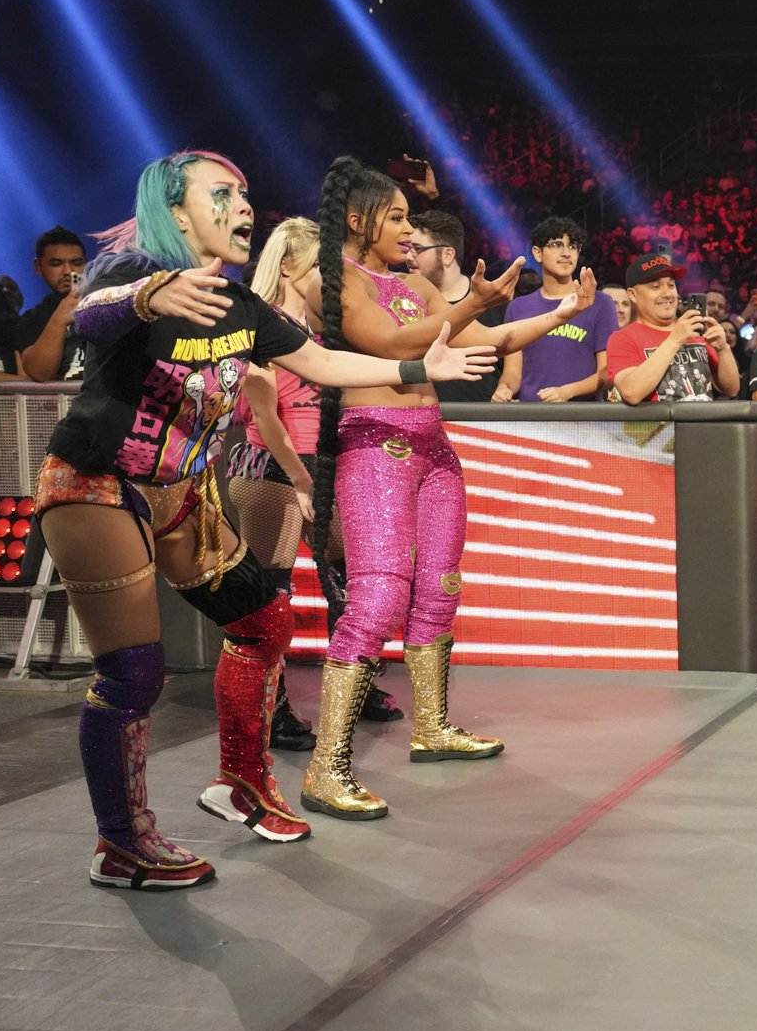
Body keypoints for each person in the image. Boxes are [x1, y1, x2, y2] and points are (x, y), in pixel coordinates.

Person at [40, 150, 493, 887]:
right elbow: (89, 315)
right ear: (176, 211)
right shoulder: (131, 275)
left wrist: (418, 370)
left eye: (246, 192)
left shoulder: (243, 307)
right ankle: (120, 843)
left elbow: (324, 364)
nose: (244, 205)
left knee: (264, 623)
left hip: (186, 493)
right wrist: (151, 295)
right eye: (222, 193)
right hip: (97, 485)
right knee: (133, 673)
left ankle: (241, 783)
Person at [301, 156, 592, 822]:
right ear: (357, 220)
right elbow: (391, 343)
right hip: (374, 445)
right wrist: (470, 306)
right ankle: (327, 767)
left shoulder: (414, 282)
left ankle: (431, 728)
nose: (410, 231)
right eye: (398, 218)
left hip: (433, 446)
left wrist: (561, 313)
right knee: (377, 598)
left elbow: (493, 338)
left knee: (439, 589)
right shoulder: (331, 280)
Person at [223, 218, 326, 752]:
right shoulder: (262, 324)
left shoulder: (320, 329)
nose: (330, 278)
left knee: (347, 583)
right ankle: (273, 710)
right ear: (289, 266)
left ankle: (357, 691)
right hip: (272, 467)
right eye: (320, 266)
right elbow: (265, 418)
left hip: (317, 465)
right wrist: (301, 478)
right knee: (271, 595)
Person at [491, 218, 617, 403]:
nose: (566, 253)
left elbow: (608, 372)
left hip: (584, 416)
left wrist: (567, 392)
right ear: (537, 253)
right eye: (557, 245)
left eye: (573, 246)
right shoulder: (518, 308)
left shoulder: (599, 303)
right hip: (532, 416)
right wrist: (504, 388)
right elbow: (513, 373)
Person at [606, 252, 741, 404]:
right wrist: (674, 340)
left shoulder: (694, 330)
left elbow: (732, 388)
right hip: (660, 420)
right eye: (655, 287)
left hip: (704, 419)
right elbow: (631, 392)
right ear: (633, 295)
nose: (667, 293)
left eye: (671, 285)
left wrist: (723, 350)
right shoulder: (622, 339)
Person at [409, 210, 507, 403]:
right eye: (406, 248)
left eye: (417, 249)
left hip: (483, 418)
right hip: (420, 415)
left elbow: (514, 366)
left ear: (447, 255)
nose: (408, 257)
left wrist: (506, 388)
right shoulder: (403, 303)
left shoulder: (493, 302)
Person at [15, 226, 90, 381]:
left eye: (77, 263)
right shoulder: (32, 319)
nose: (68, 270)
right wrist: (60, 318)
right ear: (38, 266)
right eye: (56, 263)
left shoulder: (106, 301)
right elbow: (40, 373)